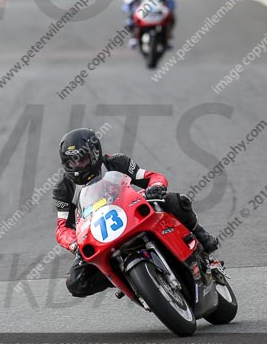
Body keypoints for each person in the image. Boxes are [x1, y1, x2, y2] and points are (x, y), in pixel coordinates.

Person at [53, 127, 218, 299]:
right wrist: (74, 244)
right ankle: (123, 277)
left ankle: (201, 236)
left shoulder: (116, 162)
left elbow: (151, 177)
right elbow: (62, 228)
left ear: (95, 154)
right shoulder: (63, 189)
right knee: (75, 282)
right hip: (98, 233)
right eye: (71, 163)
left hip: (131, 212)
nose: (77, 166)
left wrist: (155, 188)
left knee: (175, 201)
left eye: (82, 160)